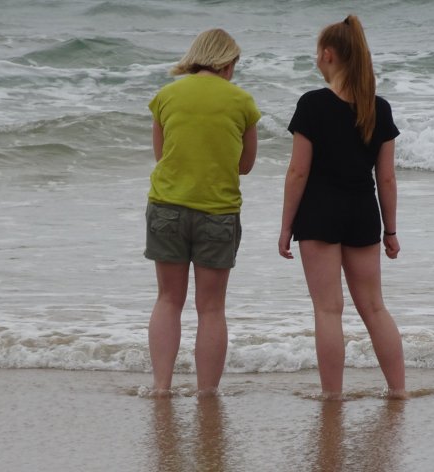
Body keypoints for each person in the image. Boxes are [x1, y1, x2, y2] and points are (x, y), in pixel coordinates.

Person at [278, 15, 406, 400]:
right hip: (363, 213)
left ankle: (332, 396)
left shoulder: (312, 104)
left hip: (319, 213)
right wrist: (390, 230)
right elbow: (387, 178)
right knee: (375, 308)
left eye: (318, 52)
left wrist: (285, 226)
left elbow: (298, 171)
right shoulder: (378, 108)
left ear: (329, 55)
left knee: (328, 310)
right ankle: (399, 390)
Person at [145, 29, 261, 395]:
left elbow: (162, 156)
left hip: (167, 207)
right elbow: (246, 165)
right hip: (217, 212)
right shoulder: (242, 101)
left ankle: (161, 387)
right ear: (227, 63)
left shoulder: (167, 95)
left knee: (168, 300)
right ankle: (207, 392)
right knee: (211, 308)